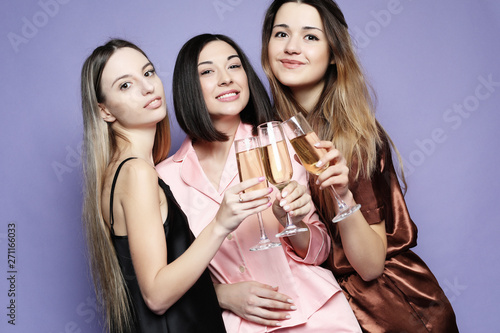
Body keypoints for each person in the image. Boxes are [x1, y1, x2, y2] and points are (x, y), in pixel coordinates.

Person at [261, 0, 459, 332]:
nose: (291, 47)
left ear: (335, 53)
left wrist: (343, 196)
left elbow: (369, 267)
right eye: (282, 33)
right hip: (330, 309)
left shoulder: (353, 138)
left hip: (392, 309)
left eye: (310, 37)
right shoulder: (270, 133)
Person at [156, 33, 361, 332]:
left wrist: (294, 222)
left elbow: (320, 251)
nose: (226, 78)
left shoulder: (283, 142)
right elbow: (163, 282)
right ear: (188, 87)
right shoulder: (166, 178)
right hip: (242, 326)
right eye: (208, 71)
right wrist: (220, 295)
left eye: (234, 66)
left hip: (317, 314)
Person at [80, 39, 272, 333]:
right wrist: (220, 225)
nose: (147, 87)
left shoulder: (126, 171)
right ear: (104, 111)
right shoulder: (136, 173)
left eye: (147, 73)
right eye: (125, 85)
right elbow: (156, 295)